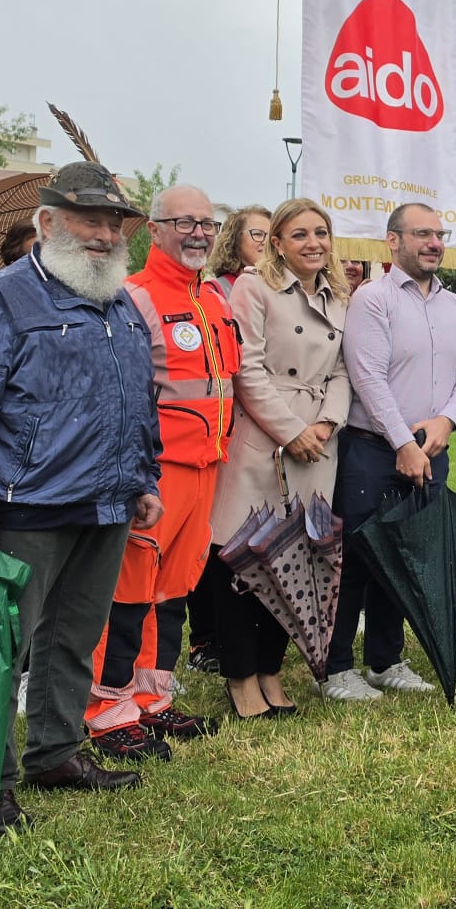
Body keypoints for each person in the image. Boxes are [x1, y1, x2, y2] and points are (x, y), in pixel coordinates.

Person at [0, 162, 161, 832]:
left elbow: (138, 403)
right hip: (22, 507)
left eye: (114, 222)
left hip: (106, 504)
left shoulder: (119, 305)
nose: (105, 233)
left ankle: (55, 753)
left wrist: (143, 479)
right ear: (48, 221)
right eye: (90, 219)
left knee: (73, 639)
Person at [83, 185, 240, 758]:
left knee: (172, 591)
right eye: (185, 222)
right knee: (128, 590)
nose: (200, 232)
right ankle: (106, 709)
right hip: (155, 473)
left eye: (208, 221)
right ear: (154, 229)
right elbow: (118, 394)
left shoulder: (216, 300)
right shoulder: (133, 297)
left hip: (206, 469)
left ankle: (152, 700)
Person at [324, 202, 456, 699]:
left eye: (439, 234)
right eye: (422, 234)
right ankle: (335, 668)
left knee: (406, 555)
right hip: (372, 450)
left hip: (432, 448)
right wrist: (402, 443)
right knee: (356, 558)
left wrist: (446, 420)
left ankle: (385, 660)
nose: (434, 242)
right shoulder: (372, 300)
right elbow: (367, 376)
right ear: (393, 241)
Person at [208, 198, 352, 717]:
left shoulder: (339, 294)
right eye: (299, 235)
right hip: (263, 442)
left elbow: (342, 371)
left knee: (295, 559)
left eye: (321, 232)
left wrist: (325, 424)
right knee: (245, 563)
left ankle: (271, 671)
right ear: (277, 243)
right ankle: (242, 679)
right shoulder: (254, 287)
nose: (313, 243)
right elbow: (244, 370)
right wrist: (291, 431)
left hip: (318, 444)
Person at [184, 204, 272, 675]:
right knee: (215, 537)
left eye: (270, 232)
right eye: (256, 232)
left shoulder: (278, 288)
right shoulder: (217, 290)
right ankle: (206, 639)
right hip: (224, 428)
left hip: (266, 431)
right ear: (234, 238)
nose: (263, 240)